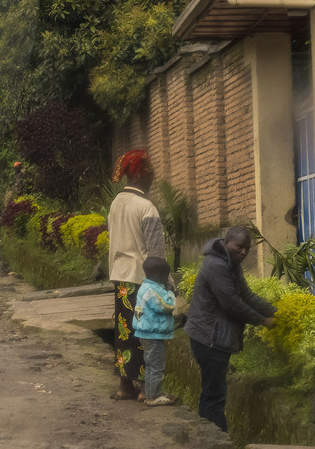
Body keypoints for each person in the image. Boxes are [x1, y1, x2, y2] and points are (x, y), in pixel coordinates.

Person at [183, 226, 277, 430]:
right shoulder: (216, 265)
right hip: (209, 338)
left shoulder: (230, 263)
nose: (243, 252)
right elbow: (231, 303)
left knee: (212, 391)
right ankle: (215, 442)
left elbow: (246, 295)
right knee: (214, 394)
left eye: (247, 249)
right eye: (239, 247)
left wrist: (276, 311)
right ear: (226, 243)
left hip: (213, 337)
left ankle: (210, 438)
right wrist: (263, 321)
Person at [107, 148, 165, 402]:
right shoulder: (146, 207)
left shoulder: (116, 203)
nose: (153, 180)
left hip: (120, 277)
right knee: (146, 333)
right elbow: (156, 253)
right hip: (144, 280)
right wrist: (167, 283)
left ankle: (124, 386)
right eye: (151, 175)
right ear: (143, 175)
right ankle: (145, 389)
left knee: (124, 331)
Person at [134, 256, 178, 407]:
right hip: (153, 334)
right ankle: (154, 396)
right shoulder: (152, 290)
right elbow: (167, 305)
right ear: (160, 276)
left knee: (150, 365)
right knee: (157, 366)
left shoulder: (144, 287)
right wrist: (171, 293)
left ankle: (151, 393)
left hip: (146, 333)